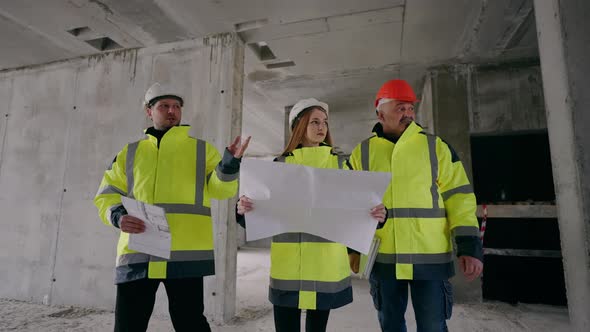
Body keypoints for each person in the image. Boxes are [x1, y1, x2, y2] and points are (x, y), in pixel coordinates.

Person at [94, 82, 250, 332]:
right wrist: (117, 216)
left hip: (185, 253)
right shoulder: (130, 152)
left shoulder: (201, 150)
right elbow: (107, 193)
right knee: (128, 324)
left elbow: (221, 190)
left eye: (176, 106)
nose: (172, 111)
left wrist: (230, 165)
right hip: (138, 252)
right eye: (164, 105)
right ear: (149, 111)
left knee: (190, 323)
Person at [237, 98, 386, 332]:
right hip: (288, 269)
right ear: (299, 127)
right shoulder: (278, 165)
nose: (322, 127)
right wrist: (244, 209)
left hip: (325, 268)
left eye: (325, 122)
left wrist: (377, 215)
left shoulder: (341, 165)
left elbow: (357, 211)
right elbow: (257, 216)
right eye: (314, 122)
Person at [346, 79, 483, 332]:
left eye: (410, 108)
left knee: (432, 326)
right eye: (400, 108)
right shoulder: (361, 153)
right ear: (380, 112)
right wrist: (351, 249)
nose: (408, 114)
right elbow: (349, 203)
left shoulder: (436, 147)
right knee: (390, 325)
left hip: (429, 258)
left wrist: (469, 246)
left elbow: (460, 197)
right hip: (383, 259)